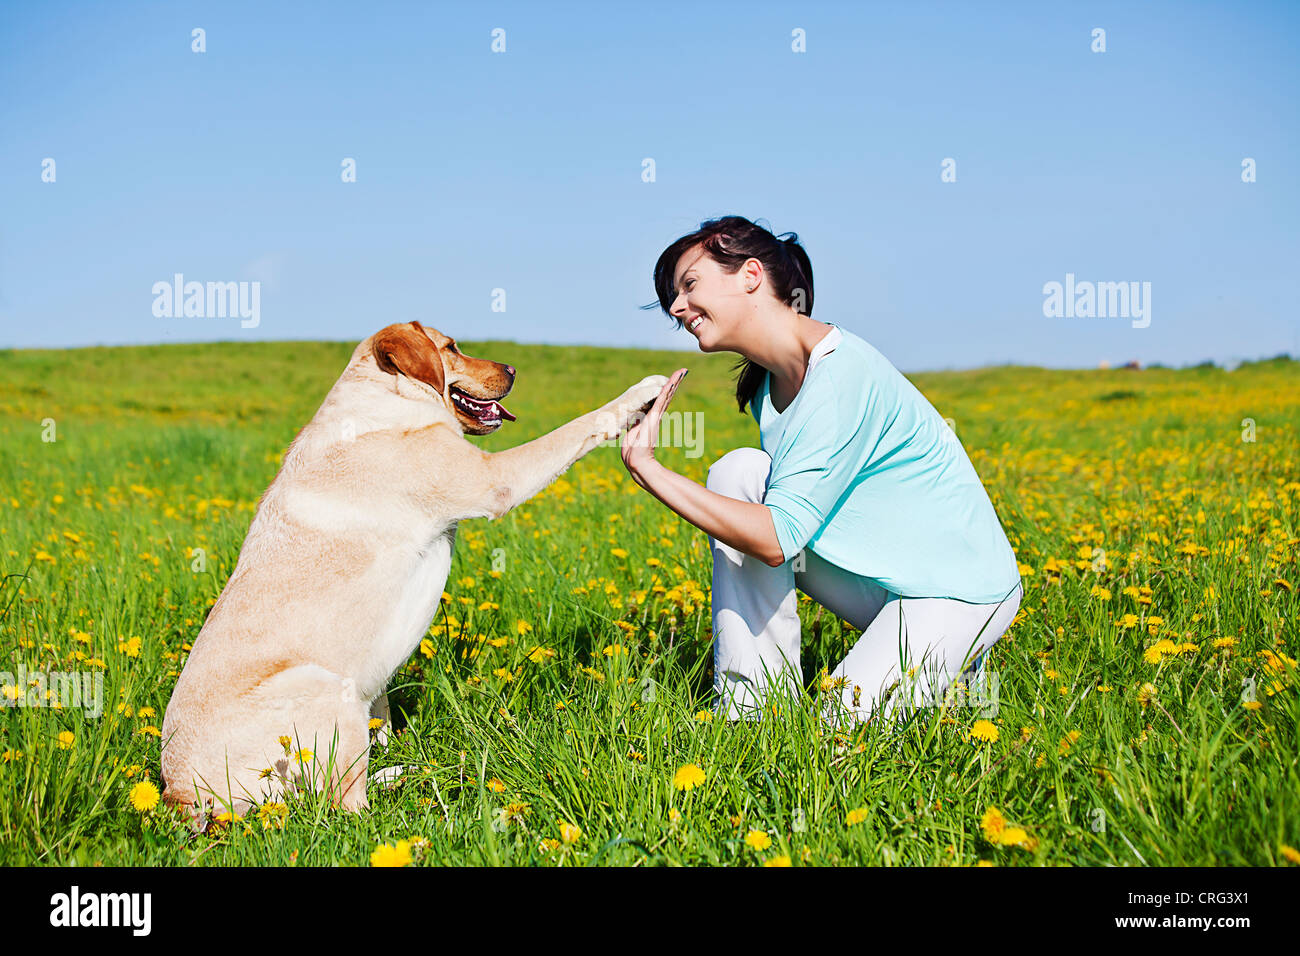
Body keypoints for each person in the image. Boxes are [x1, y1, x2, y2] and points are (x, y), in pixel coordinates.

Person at [620, 215, 1023, 727]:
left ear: (749, 275)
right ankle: (751, 710)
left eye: (690, 285)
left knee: (836, 735)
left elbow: (777, 539)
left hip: (958, 588)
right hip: (883, 579)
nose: (677, 308)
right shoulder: (770, 385)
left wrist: (648, 468)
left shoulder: (840, 375)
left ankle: (955, 660)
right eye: (672, 297)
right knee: (738, 473)